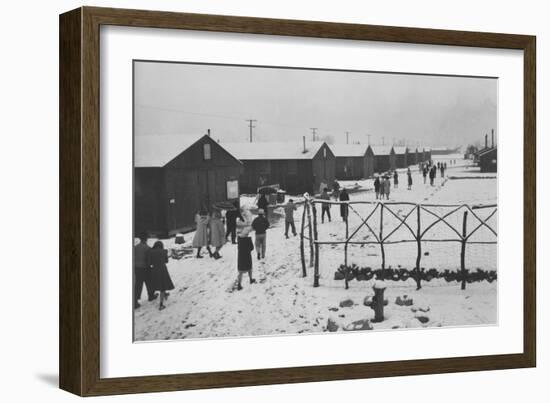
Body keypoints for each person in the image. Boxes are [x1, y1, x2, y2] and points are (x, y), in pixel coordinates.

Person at [149, 241, 174, 311]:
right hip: (162, 269)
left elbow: (150, 262)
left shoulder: (151, 252)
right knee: (163, 285)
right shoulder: (164, 251)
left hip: (154, 270)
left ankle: (165, 294)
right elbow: (166, 261)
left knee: (158, 284)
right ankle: (161, 304)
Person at [133, 234, 157, 309]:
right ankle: (151, 295)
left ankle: (135, 301)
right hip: (145, 267)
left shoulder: (135, 247)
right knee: (149, 282)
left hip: (137, 268)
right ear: (146, 239)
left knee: (138, 284)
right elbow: (150, 259)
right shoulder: (147, 248)